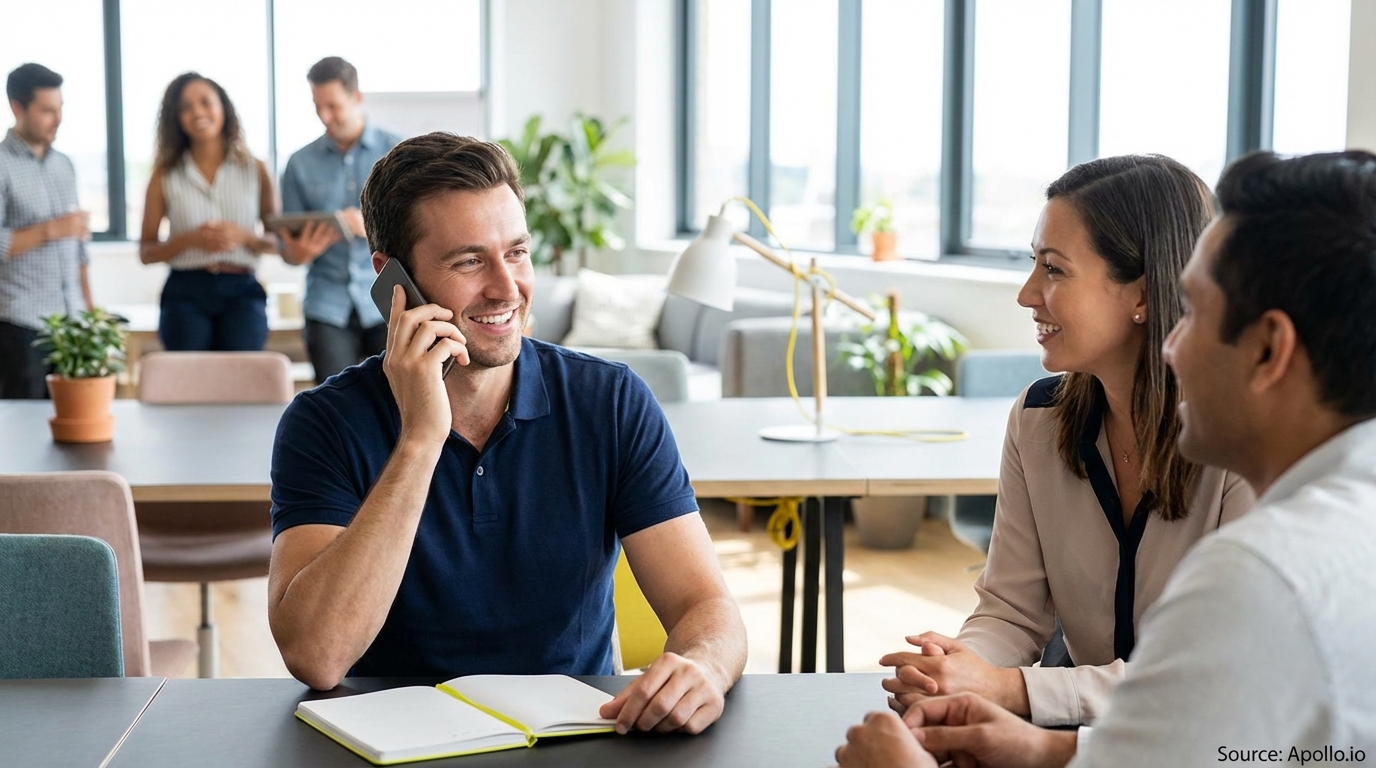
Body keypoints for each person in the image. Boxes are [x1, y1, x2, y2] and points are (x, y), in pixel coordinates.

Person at [836, 150, 1376, 767]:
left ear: (1270, 349)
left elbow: (1179, 727)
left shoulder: (1260, 573)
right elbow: (1196, 749)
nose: (1173, 342)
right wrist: (1027, 732)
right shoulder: (1338, 524)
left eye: (1194, 310)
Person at [266, 133, 747, 735]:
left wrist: (702, 665)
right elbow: (316, 655)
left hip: (576, 739)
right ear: (393, 281)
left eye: (516, 253)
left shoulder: (611, 402)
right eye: (469, 261)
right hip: (395, 747)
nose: (505, 287)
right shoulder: (324, 423)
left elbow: (708, 608)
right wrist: (420, 439)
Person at [880, 155, 1254, 727]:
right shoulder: (1038, 419)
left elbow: (1211, 672)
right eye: (1034, 264)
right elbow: (1011, 612)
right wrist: (954, 670)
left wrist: (1011, 690)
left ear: (1144, 296)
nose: (1028, 294)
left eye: (1053, 270)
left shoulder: (1245, 444)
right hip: (1081, 737)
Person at [278, 57, 402, 384]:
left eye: (333, 106)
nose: (324, 117)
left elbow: (418, 230)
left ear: (356, 97)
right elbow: (288, 251)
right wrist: (299, 252)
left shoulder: (398, 152)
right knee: (334, 405)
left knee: (398, 400)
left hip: (389, 301)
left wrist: (369, 228)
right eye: (317, 106)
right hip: (326, 304)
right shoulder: (299, 164)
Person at [138, 72, 278, 351]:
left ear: (223, 108)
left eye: (205, 102)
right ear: (175, 118)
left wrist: (244, 237)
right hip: (185, 292)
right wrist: (190, 240)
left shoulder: (256, 169)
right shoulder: (164, 175)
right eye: (185, 107)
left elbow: (278, 243)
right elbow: (146, 252)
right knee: (189, 383)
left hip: (242, 289)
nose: (197, 112)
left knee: (243, 378)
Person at [0, 63, 93, 398]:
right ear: (17, 108)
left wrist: (92, 314)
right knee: (25, 431)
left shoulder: (64, 164)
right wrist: (53, 229)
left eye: (60, 109)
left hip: (71, 325)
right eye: (47, 111)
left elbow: (79, 249)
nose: (58, 119)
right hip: (22, 326)